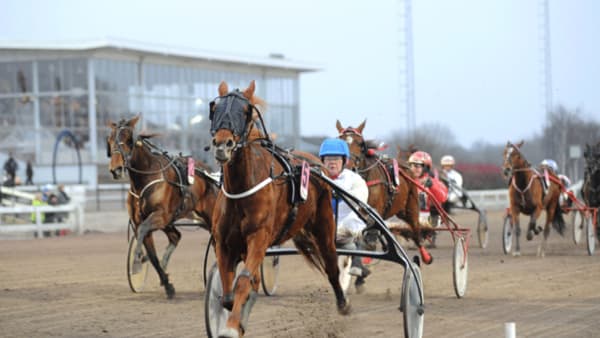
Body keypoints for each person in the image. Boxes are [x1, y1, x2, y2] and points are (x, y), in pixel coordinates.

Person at [319, 138, 371, 291]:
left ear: (345, 160)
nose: (332, 163)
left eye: (335, 159)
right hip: (322, 229)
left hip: (346, 227)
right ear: (322, 160)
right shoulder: (316, 177)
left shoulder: (354, 179)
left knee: (355, 223)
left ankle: (357, 260)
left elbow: (360, 200)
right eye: (328, 159)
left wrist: (341, 195)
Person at [408, 151, 449, 248]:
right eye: (412, 165)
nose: (414, 169)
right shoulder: (407, 181)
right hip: (412, 216)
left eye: (418, 166)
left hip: (431, 217)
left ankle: (426, 237)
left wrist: (432, 186)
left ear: (425, 168)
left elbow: (443, 198)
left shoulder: (434, 182)